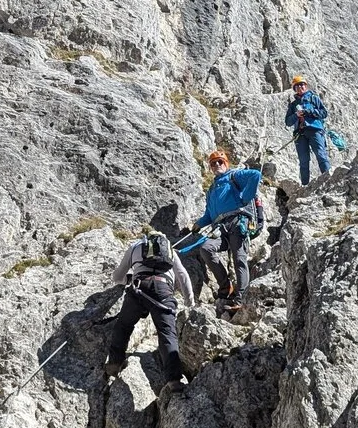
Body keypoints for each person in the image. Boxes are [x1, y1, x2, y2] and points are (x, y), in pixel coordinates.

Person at [105, 231, 196, 393]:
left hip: (139, 287)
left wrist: (130, 278)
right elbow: (183, 276)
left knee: (124, 325)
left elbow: (117, 277)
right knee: (167, 333)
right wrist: (190, 303)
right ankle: (174, 380)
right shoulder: (169, 251)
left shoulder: (135, 247)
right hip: (163, 290)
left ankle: (114, 362)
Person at [192, 150, 264, 313]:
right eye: (213, 163)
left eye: (220, 162)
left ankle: (241, 297)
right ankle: (226, 287)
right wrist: (199, 223)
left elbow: (255, 175)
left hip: (237, 222)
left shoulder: (233, 176)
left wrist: (246, 197)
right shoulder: (211, 190)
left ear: (226, 164)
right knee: (206, 249)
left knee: (239, 258)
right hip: (220, 227)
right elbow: (210, 215)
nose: (217, 165)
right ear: (210, 167)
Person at [284, 75, 330, 185]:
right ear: (294, 89)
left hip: (315, 130)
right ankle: (305, 185)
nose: (300, 87)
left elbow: (324, 113)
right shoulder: (293, 104)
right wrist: (296, 114)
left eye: (302, 84)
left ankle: (329, 180)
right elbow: (288, 122)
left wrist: (308, 111)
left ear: (306, 86)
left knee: (321, 155)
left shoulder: (314, 98)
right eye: (297, 85)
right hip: (300, 133)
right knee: (303, 161)